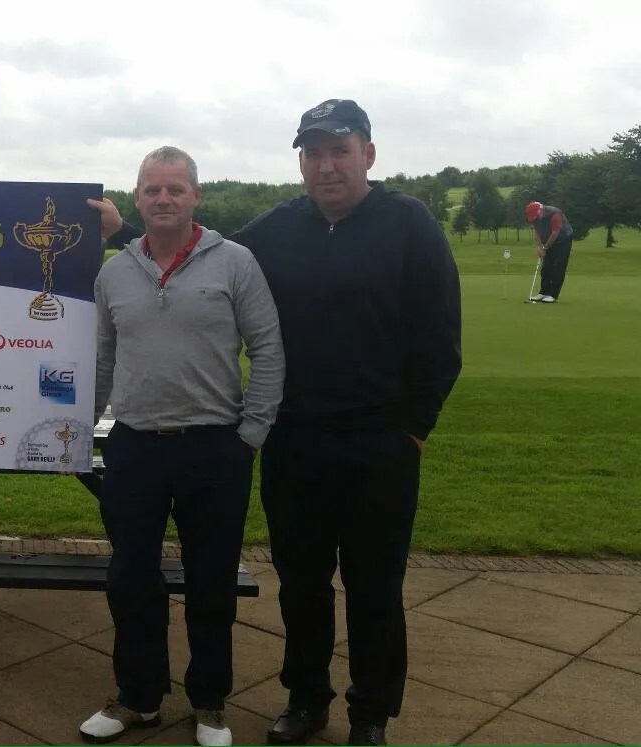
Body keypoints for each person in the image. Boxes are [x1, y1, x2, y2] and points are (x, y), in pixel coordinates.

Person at [227, 100, 463, 746]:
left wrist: (413, 429)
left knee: (375, 587)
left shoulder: (409, 224)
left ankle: (371, 714)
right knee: (301, 583)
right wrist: (125, 230)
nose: (326, 165)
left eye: (339, 150)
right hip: (294, 439)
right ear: (301, 162)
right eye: (314, 153)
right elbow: (204, 255)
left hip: (380, 444)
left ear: (368, 154)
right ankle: (306, 698)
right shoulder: (278, 227)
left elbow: (441, 339)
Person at [80, 146, 284, 746]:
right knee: (130, 579)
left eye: (175, 189)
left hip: (215, 449)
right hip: (134, 448)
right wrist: (79, 429)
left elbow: (268, 349)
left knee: (211, 582)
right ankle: (138, 698)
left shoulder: (236, 262)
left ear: (196, 194)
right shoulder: (115, 272)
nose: (163, 199)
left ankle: (209, 702)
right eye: (153, 190)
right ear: (138, 199)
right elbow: (102, 360)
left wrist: (251, 434)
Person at [525, 201, 574, 303]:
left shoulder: (555, 214)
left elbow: (555, 233)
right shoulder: (536, 218)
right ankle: (543, 292)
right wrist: (539, 247)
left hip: (563, 241)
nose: (534, 219)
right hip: (548, 240)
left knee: (558, 267)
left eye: (535, 217)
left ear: (540, 211)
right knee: (546, 266)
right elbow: (537, 232)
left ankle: (553, 295)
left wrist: (545, 248)